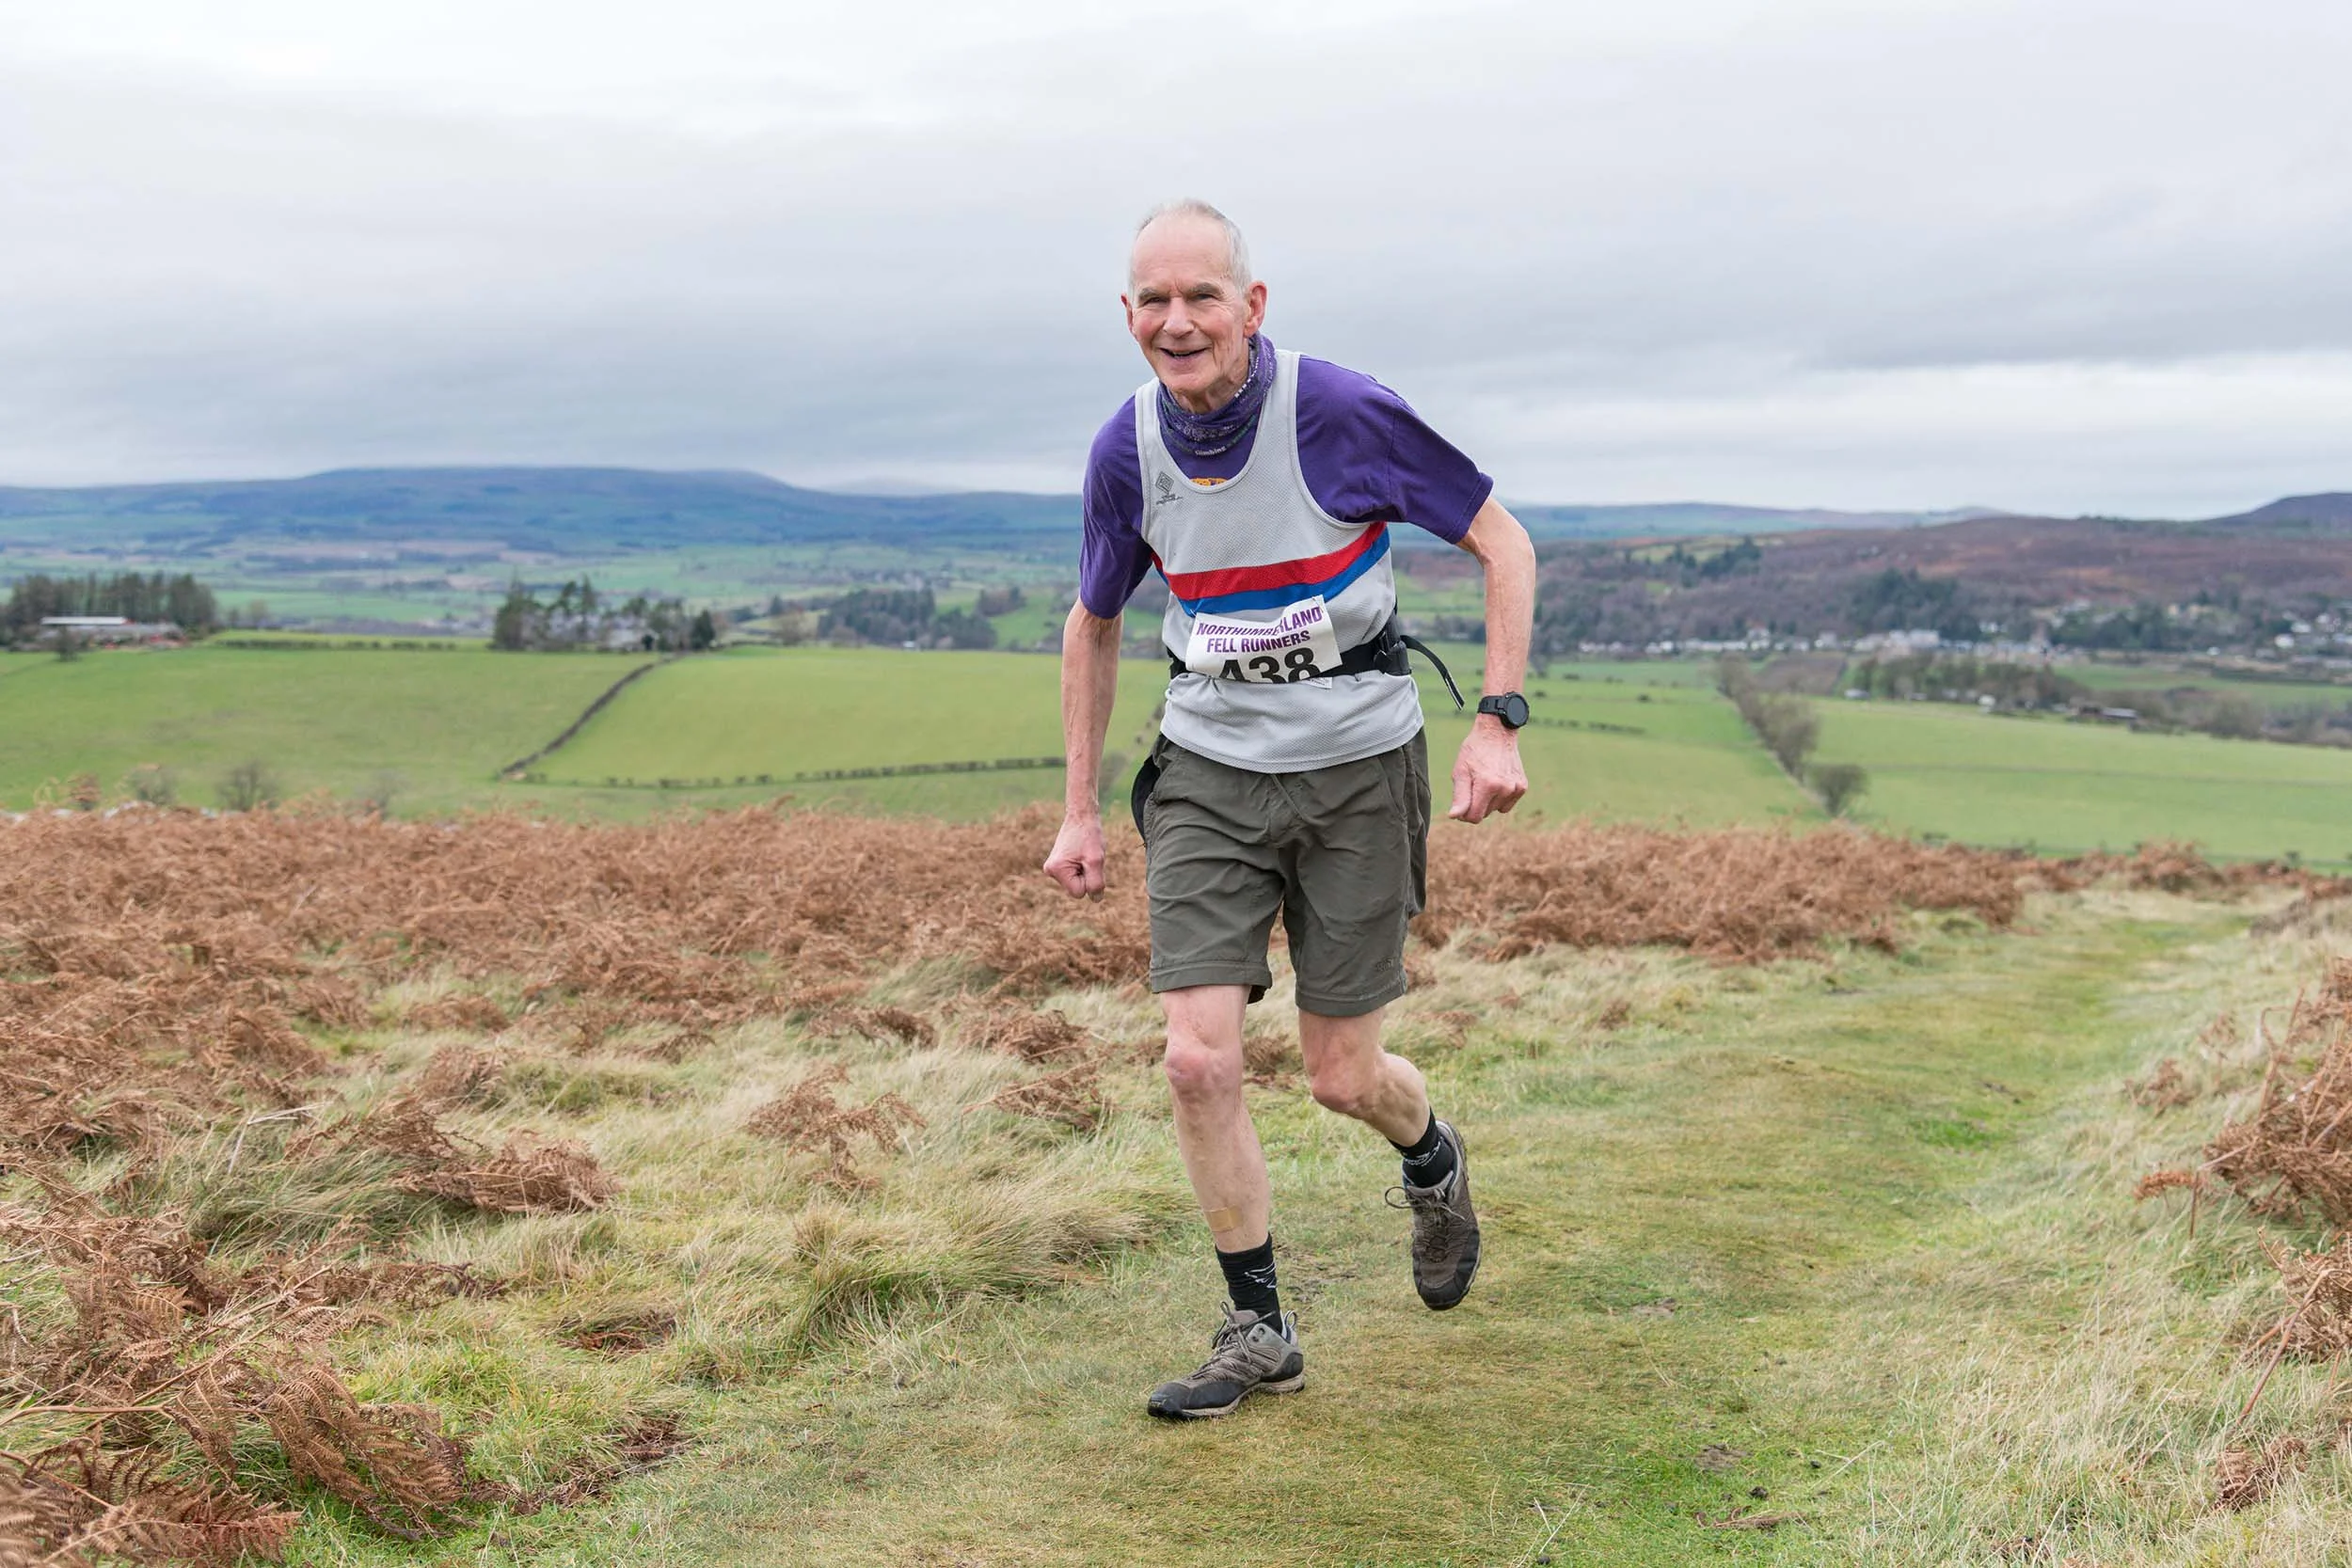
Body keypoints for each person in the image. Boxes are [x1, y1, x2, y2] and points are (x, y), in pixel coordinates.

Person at [1042, 198, 1536, 1419]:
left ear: (1252, 306)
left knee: (1339, 1073)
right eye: (1154, 300)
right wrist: (1079, 810)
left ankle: (1431, 1158)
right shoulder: (1126, 450)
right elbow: (1093, 621)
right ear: (1126, 315)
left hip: (1358, 765)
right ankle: (1258, 1326)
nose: (1177, 322)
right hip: (1209, 766)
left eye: (1201, 296)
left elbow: (1503, 541)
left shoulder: (1340, 411)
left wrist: (1497, 719)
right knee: (1196, 1058)